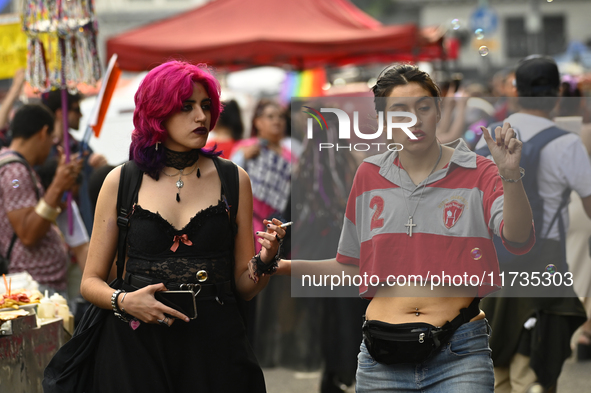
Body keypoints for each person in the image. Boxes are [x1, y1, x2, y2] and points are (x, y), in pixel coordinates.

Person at [269, 64, 535, 392]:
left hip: (459, 353)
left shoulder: (479, 171)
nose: (413, 119)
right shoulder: (368, 174)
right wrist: (279, 267)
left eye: (423, 107)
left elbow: (518, 236)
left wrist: (509, 174)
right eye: (399, 111)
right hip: (381, 357)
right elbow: (351, 266)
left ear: (439, 112)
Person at [78, 60, 285, 392]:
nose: (201, 117)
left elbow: (243, 287)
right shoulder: (122, 180)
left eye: (206, 106)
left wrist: (266, 259)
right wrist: (123, 300)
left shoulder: (234, 179)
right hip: (138, 348)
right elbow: (89, 282)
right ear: (158, 112)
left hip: (216, 350)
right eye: (186, 107)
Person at [475, 55, 591, 392]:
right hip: (546, 262)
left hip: (492, 260)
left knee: (494, 361)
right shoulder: (566, 143)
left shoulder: (487, 139)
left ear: (514, 93)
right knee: (535, 362)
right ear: (556, 94)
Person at [0, 104, 81, 295]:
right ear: (44, 132)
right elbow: (28, 234)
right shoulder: (15, 173)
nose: (51, 147)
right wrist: (58, 185)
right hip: (34, 286)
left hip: (36, 284)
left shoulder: (13, 165)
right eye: (52, 139)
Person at [231, 99, 292, 253]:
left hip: (280, 223)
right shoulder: (247, 148)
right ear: (258, 122)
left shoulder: (291, 154)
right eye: (270, 117)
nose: (277, 121)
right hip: (250, 223)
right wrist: (242, 156)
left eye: (281, 117)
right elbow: (230, 178)